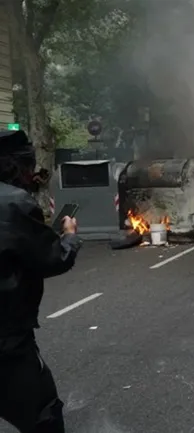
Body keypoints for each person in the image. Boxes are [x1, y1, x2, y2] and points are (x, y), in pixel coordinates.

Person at [0, 130, 82, 433]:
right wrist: (70, 236)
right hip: (7, 344)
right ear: (15, 166)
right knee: (43, 418)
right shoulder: (14, 203)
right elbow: (53, 259)